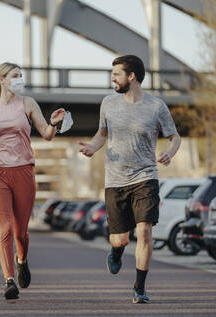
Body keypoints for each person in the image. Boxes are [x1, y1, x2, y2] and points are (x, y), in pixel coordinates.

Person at [79, 55, 181, 304]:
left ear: (131, 76)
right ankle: (116, 250)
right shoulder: (109, 103)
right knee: (121, 239)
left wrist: (169, 152)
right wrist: (93, 147)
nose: (112, 79)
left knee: (145, 232)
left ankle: (139, 287)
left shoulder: (156, 106)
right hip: (115, 180)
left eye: (116, 74)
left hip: (146, 177)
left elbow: (175, 137)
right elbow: (101, 134)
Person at [0, 62, 65, 299]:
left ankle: (22, 259)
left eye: (21, 75)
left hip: (23, 172)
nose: (20, 79)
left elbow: (47, 135)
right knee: (5, 228)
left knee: (21, 232)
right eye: (15, 76)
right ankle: (9, 280)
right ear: (2, 80)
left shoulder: (28, 103)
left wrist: (55, 123)